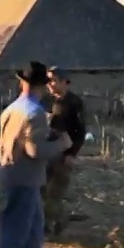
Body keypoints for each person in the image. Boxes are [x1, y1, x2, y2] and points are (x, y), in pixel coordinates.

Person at [0, 61, 72, 248]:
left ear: (22, 82)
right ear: (43, 86)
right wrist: (61, 144)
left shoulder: (12, 108)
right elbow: (35, 151)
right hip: (24, 176)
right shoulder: (35, 113)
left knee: (35, 227)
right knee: (17, 227)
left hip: (12, 170)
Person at [42, 66, 87, 236]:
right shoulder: (47, 101)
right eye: (48, 80)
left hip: (63, 153)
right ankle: (44, 221)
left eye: (53, 80)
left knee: (56, 191)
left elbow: (80, 131)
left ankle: (55, 223)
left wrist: (71, 154)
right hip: (46, 151)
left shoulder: (75, 103)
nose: (50, 84)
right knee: (41, 189)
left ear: (63, 81)